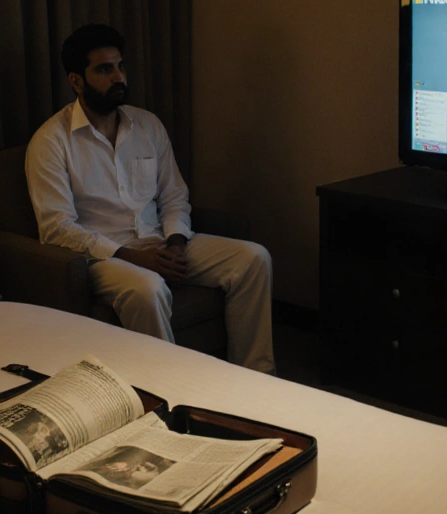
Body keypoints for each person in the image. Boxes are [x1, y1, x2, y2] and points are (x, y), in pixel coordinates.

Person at [25, 24, 275, 373]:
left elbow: (174, 194)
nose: (118, 77)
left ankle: (256, 375)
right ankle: (168, 390)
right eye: (104, 69)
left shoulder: (147, 125)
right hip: (103, 257)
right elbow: (57, 228)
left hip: (159, 241)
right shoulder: (51, 141)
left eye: (120, 66)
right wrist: (134, 257)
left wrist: (174, 243)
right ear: (76, 80)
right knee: (149, 287)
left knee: (253, 258)